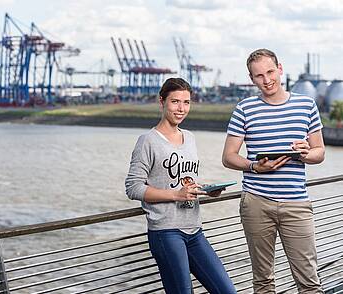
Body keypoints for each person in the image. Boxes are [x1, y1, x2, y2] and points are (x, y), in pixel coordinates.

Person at [222, 48, 325, 293]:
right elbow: (228, 157)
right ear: (252, 79)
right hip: (256, 202)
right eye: (259, 76)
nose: (266, 80)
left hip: (296, 204)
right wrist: (254, 167)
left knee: (309, 282)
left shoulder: (306, 104)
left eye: (270, 72)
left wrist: (305, 153)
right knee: (263, 281)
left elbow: (319, 152)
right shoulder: (244, 108)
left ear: (280, 69)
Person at [125, 77, 236, 294]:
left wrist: (205, 189)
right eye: (175, 101)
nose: (181, 108)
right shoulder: (147, 140)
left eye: (186, 102)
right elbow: (133, 187)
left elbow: (185, 180)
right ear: (162, 101)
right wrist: (176, 195)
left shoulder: (190, 138)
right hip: (166, 232)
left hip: (194, 230)